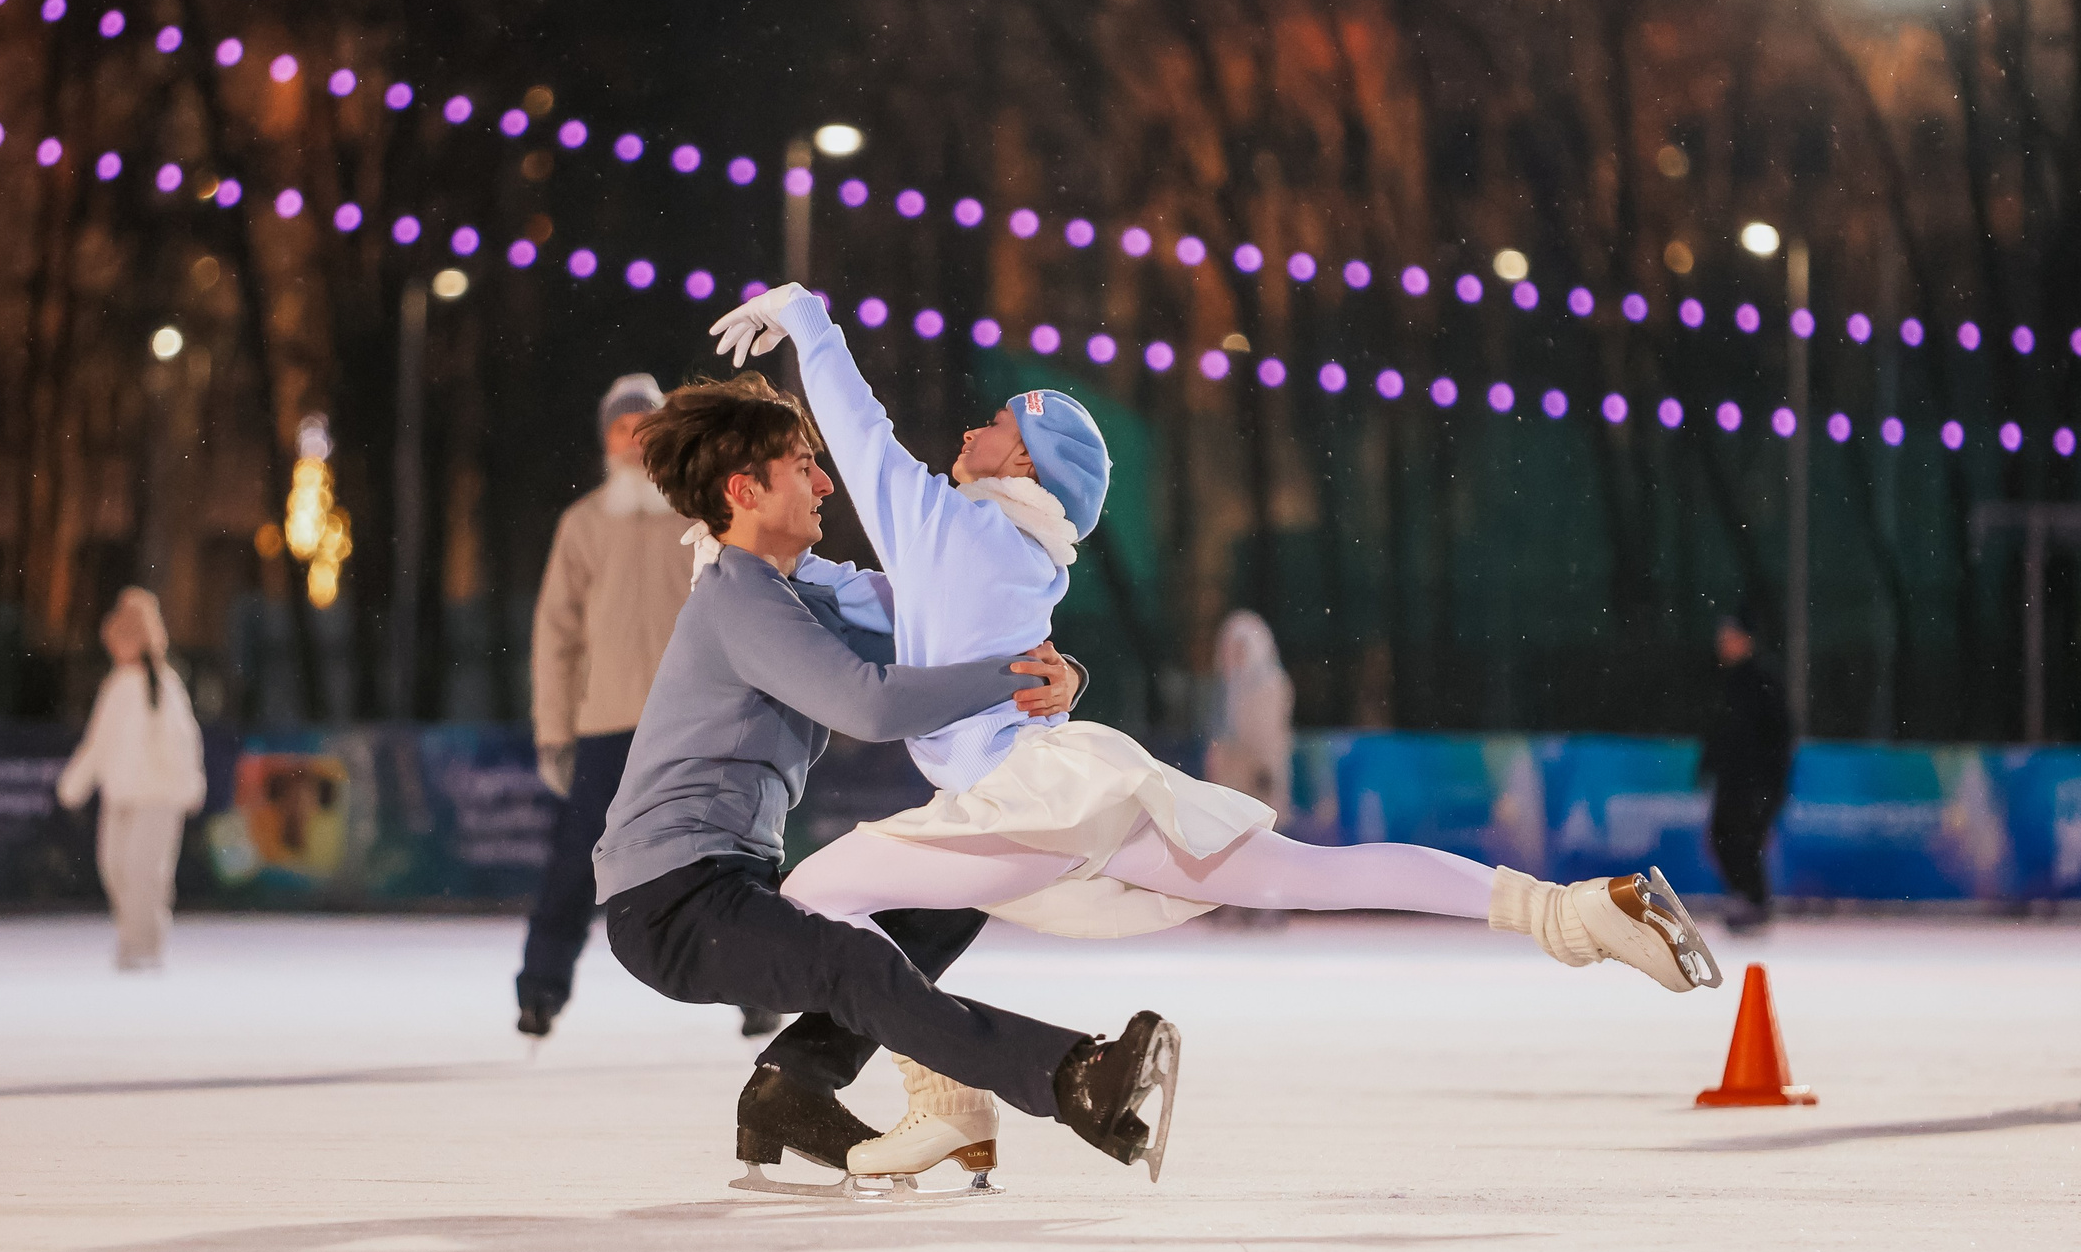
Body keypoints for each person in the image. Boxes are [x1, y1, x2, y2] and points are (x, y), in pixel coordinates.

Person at [713, 284, 1719, 1181]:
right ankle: (1575, 911)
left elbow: (860, 433)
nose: (972, 429)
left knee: (814, 893)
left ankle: (945, 1097)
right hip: (1079, 788)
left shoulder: (954, 527)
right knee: (1309, 874)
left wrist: (808, 317)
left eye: (994, 422)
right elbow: (874, 601)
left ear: (1019, 457)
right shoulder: (1004, 550)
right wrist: (755, 560)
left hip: (1021, 799)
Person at [595, 372, 1182, 1191]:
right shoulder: (740, 597)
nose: (826, 483)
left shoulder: (800, 595)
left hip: (731, 881)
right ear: (745, 491)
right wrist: (1013, 677)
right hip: (670, 902)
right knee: (854, 964)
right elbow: (868, 705)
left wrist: (1060, 675)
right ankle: (1073, 1078)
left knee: (949, 894)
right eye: (804, 466)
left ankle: (792, 1087)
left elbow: (961, 631)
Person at [519, 374, 780, 1039]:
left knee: (721, 855)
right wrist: (554, 733)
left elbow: (743, 608)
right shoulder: (581, 525)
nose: (632, 440)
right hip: (605, 726)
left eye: (643, 427)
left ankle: (757, 985)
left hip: (692, 720)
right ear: (604, 440)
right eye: (620, 429)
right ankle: (540, 989)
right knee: (575, 861)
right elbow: (555, 638)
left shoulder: (700, 515)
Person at [58, 588, 208, 970]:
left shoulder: (164, 685)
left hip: (158, 796)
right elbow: (98, 742)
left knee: (146, 872)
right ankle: (131, 936)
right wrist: (74, 784)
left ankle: (144, 944)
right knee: (114, 866)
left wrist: (189, 784)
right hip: (120, 795)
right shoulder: (116, 685)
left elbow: (183, 740)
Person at [1701, 615, 1793, 933]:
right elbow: (1720, 731)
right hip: (1733, 779)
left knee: (1746, 839)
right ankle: (1745, 898)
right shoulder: (1728, 681)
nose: (1722, 645)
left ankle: (1754, 901)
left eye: (1729, 639)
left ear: (1746, 641)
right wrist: (1708, 764)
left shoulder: (1762, 680)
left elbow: (1778, 735)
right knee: (1723, 836)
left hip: (1756, 781)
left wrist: (1771, 780)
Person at [1206, 611, 1293, 814]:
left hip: (1261, 776)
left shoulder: (1272, 684)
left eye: (1241, 648)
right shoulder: (1228, 686)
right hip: (1232, 781)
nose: (1235, 654)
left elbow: (1268, 737)